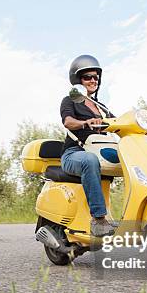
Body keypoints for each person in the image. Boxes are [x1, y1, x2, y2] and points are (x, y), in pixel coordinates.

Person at [60, 55, 117, 237]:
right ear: (78, 81)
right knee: (90, 160)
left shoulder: (101, 107)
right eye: (87, 77)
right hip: (74, 153)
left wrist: (146, 127)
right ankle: (99, 220)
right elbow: (68, 122)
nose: (93, 80)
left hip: (97, 151)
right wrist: (85, 123)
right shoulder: (70, 100)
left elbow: (119, 124)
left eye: (96, 77)